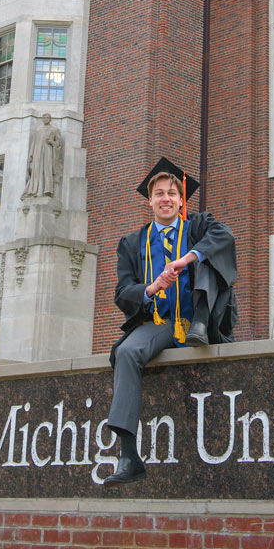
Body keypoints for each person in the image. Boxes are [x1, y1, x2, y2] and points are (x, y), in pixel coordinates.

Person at [103, 157, 237, 485]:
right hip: (160, 321)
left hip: (197, 318)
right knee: (127, 353)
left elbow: (225, 236)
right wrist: (151, 287)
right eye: (159, 193)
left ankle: (201, 326)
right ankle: (128, 454)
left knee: (207, 252)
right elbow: (122, 293)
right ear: (150, 200)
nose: (166, 198)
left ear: (181, 200)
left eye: (172, 194)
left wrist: (187, 258)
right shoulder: (133, 243)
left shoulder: (196, 227)